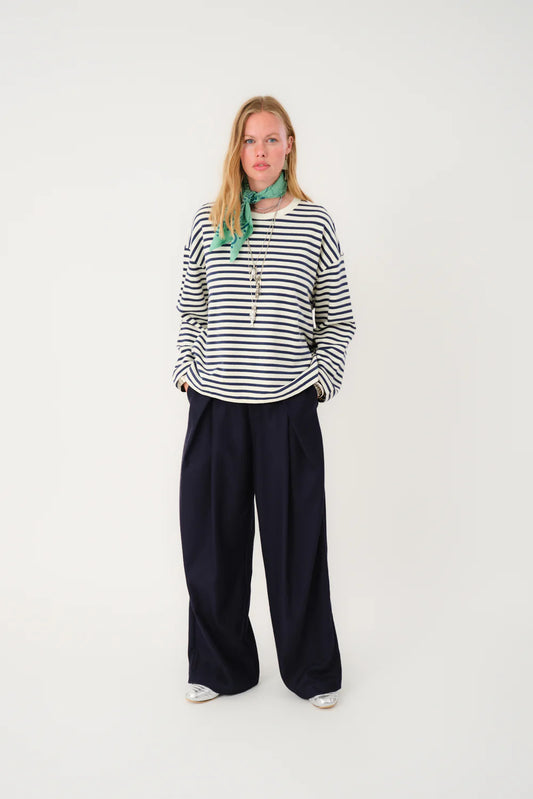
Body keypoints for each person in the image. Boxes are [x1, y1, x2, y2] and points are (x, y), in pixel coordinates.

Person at [172, 95, 356, 709]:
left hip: (286, 409)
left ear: (289, 147)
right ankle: (220, 667)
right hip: (217, 405)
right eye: (251, 140)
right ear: (238, 148)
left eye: (272, 139)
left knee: (296, 544)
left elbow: (337, 318)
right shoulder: (208, 222)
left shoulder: (315, 223)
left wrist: (318, 382)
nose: (261, 151)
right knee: (212, 544)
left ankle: (311, 671)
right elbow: (191, 311)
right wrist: (187, 373)